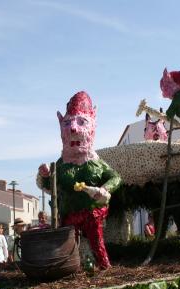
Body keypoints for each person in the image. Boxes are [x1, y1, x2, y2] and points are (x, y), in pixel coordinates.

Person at [36, 91, 122, 269]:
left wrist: (105, 189)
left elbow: (115, 177)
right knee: (69, 247)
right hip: (69, 214)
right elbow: (50, 186)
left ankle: (104, 267)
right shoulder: (61, 165)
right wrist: (45, 176)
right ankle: (72, 269)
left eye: (81, 122)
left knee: (96, 241)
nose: (73, 128)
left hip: (92, 212)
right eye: (67, 123)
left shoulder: (96, 164)